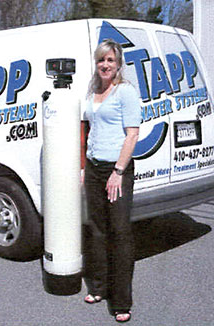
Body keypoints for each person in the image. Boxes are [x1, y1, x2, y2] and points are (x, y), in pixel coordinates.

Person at [82, 39, 140, 323]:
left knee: (119, 233)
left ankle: (121, 301)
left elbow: (132, 135)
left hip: (117, 171)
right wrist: (85, 167)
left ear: (118, 65)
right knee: (97, 231)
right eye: (101, 60)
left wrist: (118, 171)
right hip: (93, 169)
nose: (105, 65)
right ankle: (100, 288)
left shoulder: (124, 92)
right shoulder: (93, 90)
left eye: (110, 61)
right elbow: (90, 130)